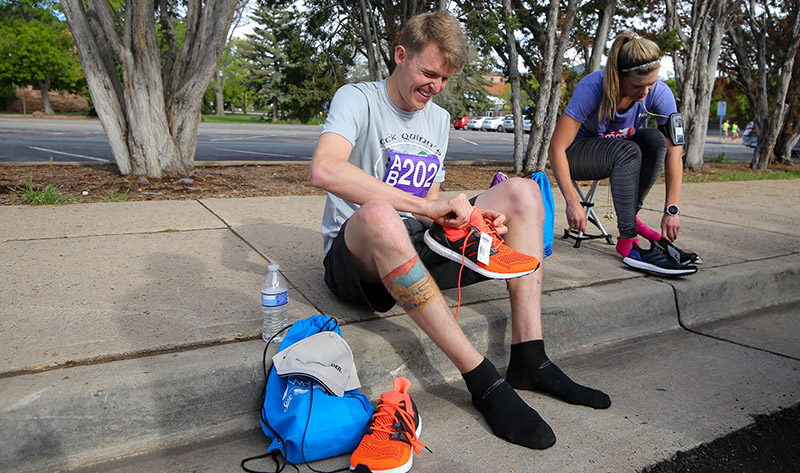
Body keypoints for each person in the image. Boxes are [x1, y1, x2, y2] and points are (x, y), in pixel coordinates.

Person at [310, 11, 610, 471]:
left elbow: (429, 197)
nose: (435, 86)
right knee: (380, 214)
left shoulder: (439, 119)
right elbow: (325, 170)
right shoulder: (358, 99)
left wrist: (463, 221)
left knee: (526, 192)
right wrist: (425, 208)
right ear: (400, 55)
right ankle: (483, 381)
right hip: (357, 261)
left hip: (413, 242)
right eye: (428, 73)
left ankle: (531, 357)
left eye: (445, 78)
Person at [548, 32, 699, 276]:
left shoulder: (660, 93)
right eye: (638, 86)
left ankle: (634, 224)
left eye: (651, 83)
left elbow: (674, 153)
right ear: (618, 77)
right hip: (578, 156)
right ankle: (629, 242)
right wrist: (572, 201)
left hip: (619, 152)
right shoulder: (592, 87)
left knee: (655, 140)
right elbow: (556, 148)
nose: (646, 92)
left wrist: (672, 209)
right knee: (628, 150)